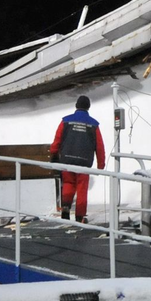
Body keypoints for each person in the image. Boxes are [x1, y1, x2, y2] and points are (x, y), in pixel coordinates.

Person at [48, 95, 106, 224]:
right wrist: (101, 164)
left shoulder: (65, 121)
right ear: (88, 107)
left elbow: (57, 139)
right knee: (82, 188)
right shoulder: (93, 124)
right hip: (84, 162)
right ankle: (80, 217)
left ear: (76, 106)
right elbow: (99, 146)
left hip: (67, 160)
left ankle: (65, 209)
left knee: (68, 184)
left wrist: (54, 154)